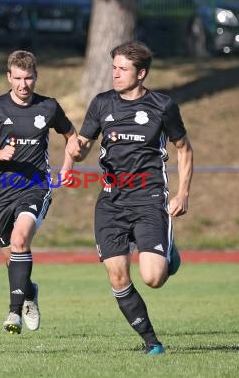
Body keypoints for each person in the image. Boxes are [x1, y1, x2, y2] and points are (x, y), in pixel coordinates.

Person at [66, 40, 193, 355]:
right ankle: (152, 342)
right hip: (110, 202)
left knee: (153, 278)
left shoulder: (162, 106)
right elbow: (82, 146)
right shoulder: (101, 104)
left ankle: (167, 253)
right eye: (114, 68)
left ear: (142, 74)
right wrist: (77, 150)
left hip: (149, 198)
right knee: (117, 274)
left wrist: (183, 193)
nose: (116, 74)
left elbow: (184, 149)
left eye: (123, 69)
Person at [0, 50, 77, 334]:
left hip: (35, 187)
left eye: (29, 78)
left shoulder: (48, 107)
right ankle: (29, 292)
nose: (24, 84)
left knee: (21, 238)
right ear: (8, 77)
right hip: (1, 193)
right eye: (18, 78)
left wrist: (67, 166)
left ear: (36, 77)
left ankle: (14, 314)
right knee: (13, 258)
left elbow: (71, 136)